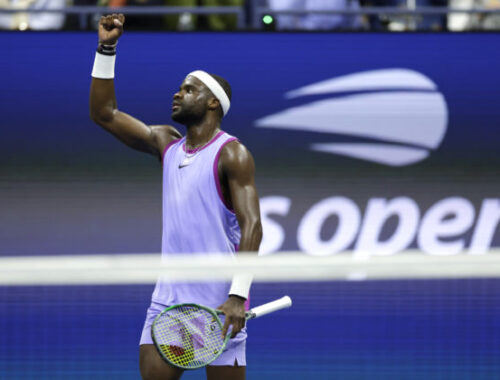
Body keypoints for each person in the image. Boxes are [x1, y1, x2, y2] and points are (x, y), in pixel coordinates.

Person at [89, 14, 263, 380]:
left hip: (220, 304)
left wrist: (237, 296)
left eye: (188, 89)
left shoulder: (232, 153)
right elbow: (104, 114)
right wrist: (107, 48)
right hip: (167, 303)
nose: (177, 93)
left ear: (212, 103)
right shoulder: (166, 143)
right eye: (179, 88)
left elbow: (253, 226)